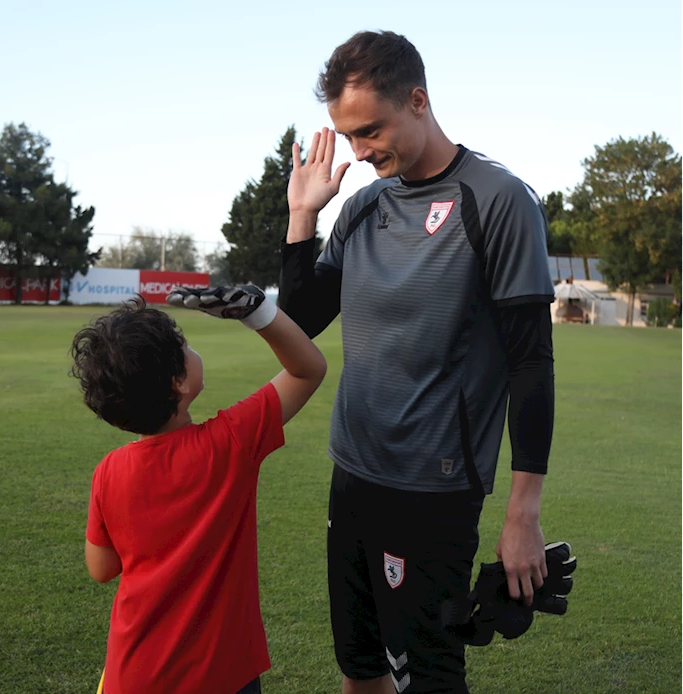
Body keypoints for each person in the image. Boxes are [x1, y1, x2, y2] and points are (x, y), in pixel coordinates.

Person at [278, 30, 556, 694]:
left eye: (370, 130)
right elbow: (302, 322)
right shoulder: (365, 205)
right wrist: (300, 216)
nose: (359, 151)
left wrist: (523, 514)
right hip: (352, 474)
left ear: (419, 99)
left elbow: (532, 366)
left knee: (427, 678)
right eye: (347, 137)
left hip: (433, 490)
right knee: (360, 668)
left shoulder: (497, 200)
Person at [71, 288, 326, 694]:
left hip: (133, 675)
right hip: (223, 675)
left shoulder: (108, 472)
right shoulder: (230, 443)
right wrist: (257, 313)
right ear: (178, 383)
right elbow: (307, 369)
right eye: (184, 346)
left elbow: (102, 569)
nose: (192, 349)